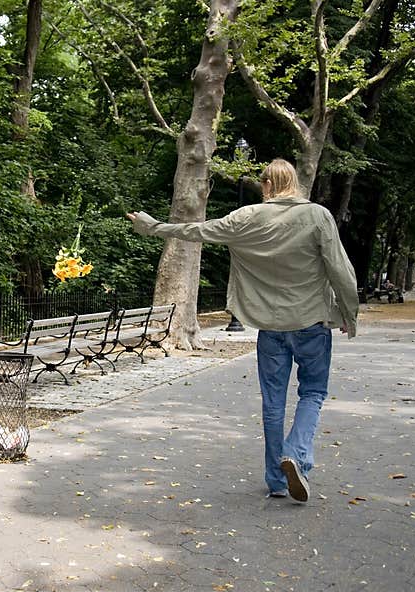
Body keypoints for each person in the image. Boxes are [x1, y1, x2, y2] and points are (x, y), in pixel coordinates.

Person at [126, 158, 359, 503]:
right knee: (312, 393)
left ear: (266, 185)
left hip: (270, 328)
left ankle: (277, 481)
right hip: (312, 323)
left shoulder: (247, 218)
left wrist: (154, 226)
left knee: (273, 402)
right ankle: (296, 455)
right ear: (294, 183)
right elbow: (340, 269)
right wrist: (348, 313)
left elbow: (197, 230)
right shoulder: (317, 216)